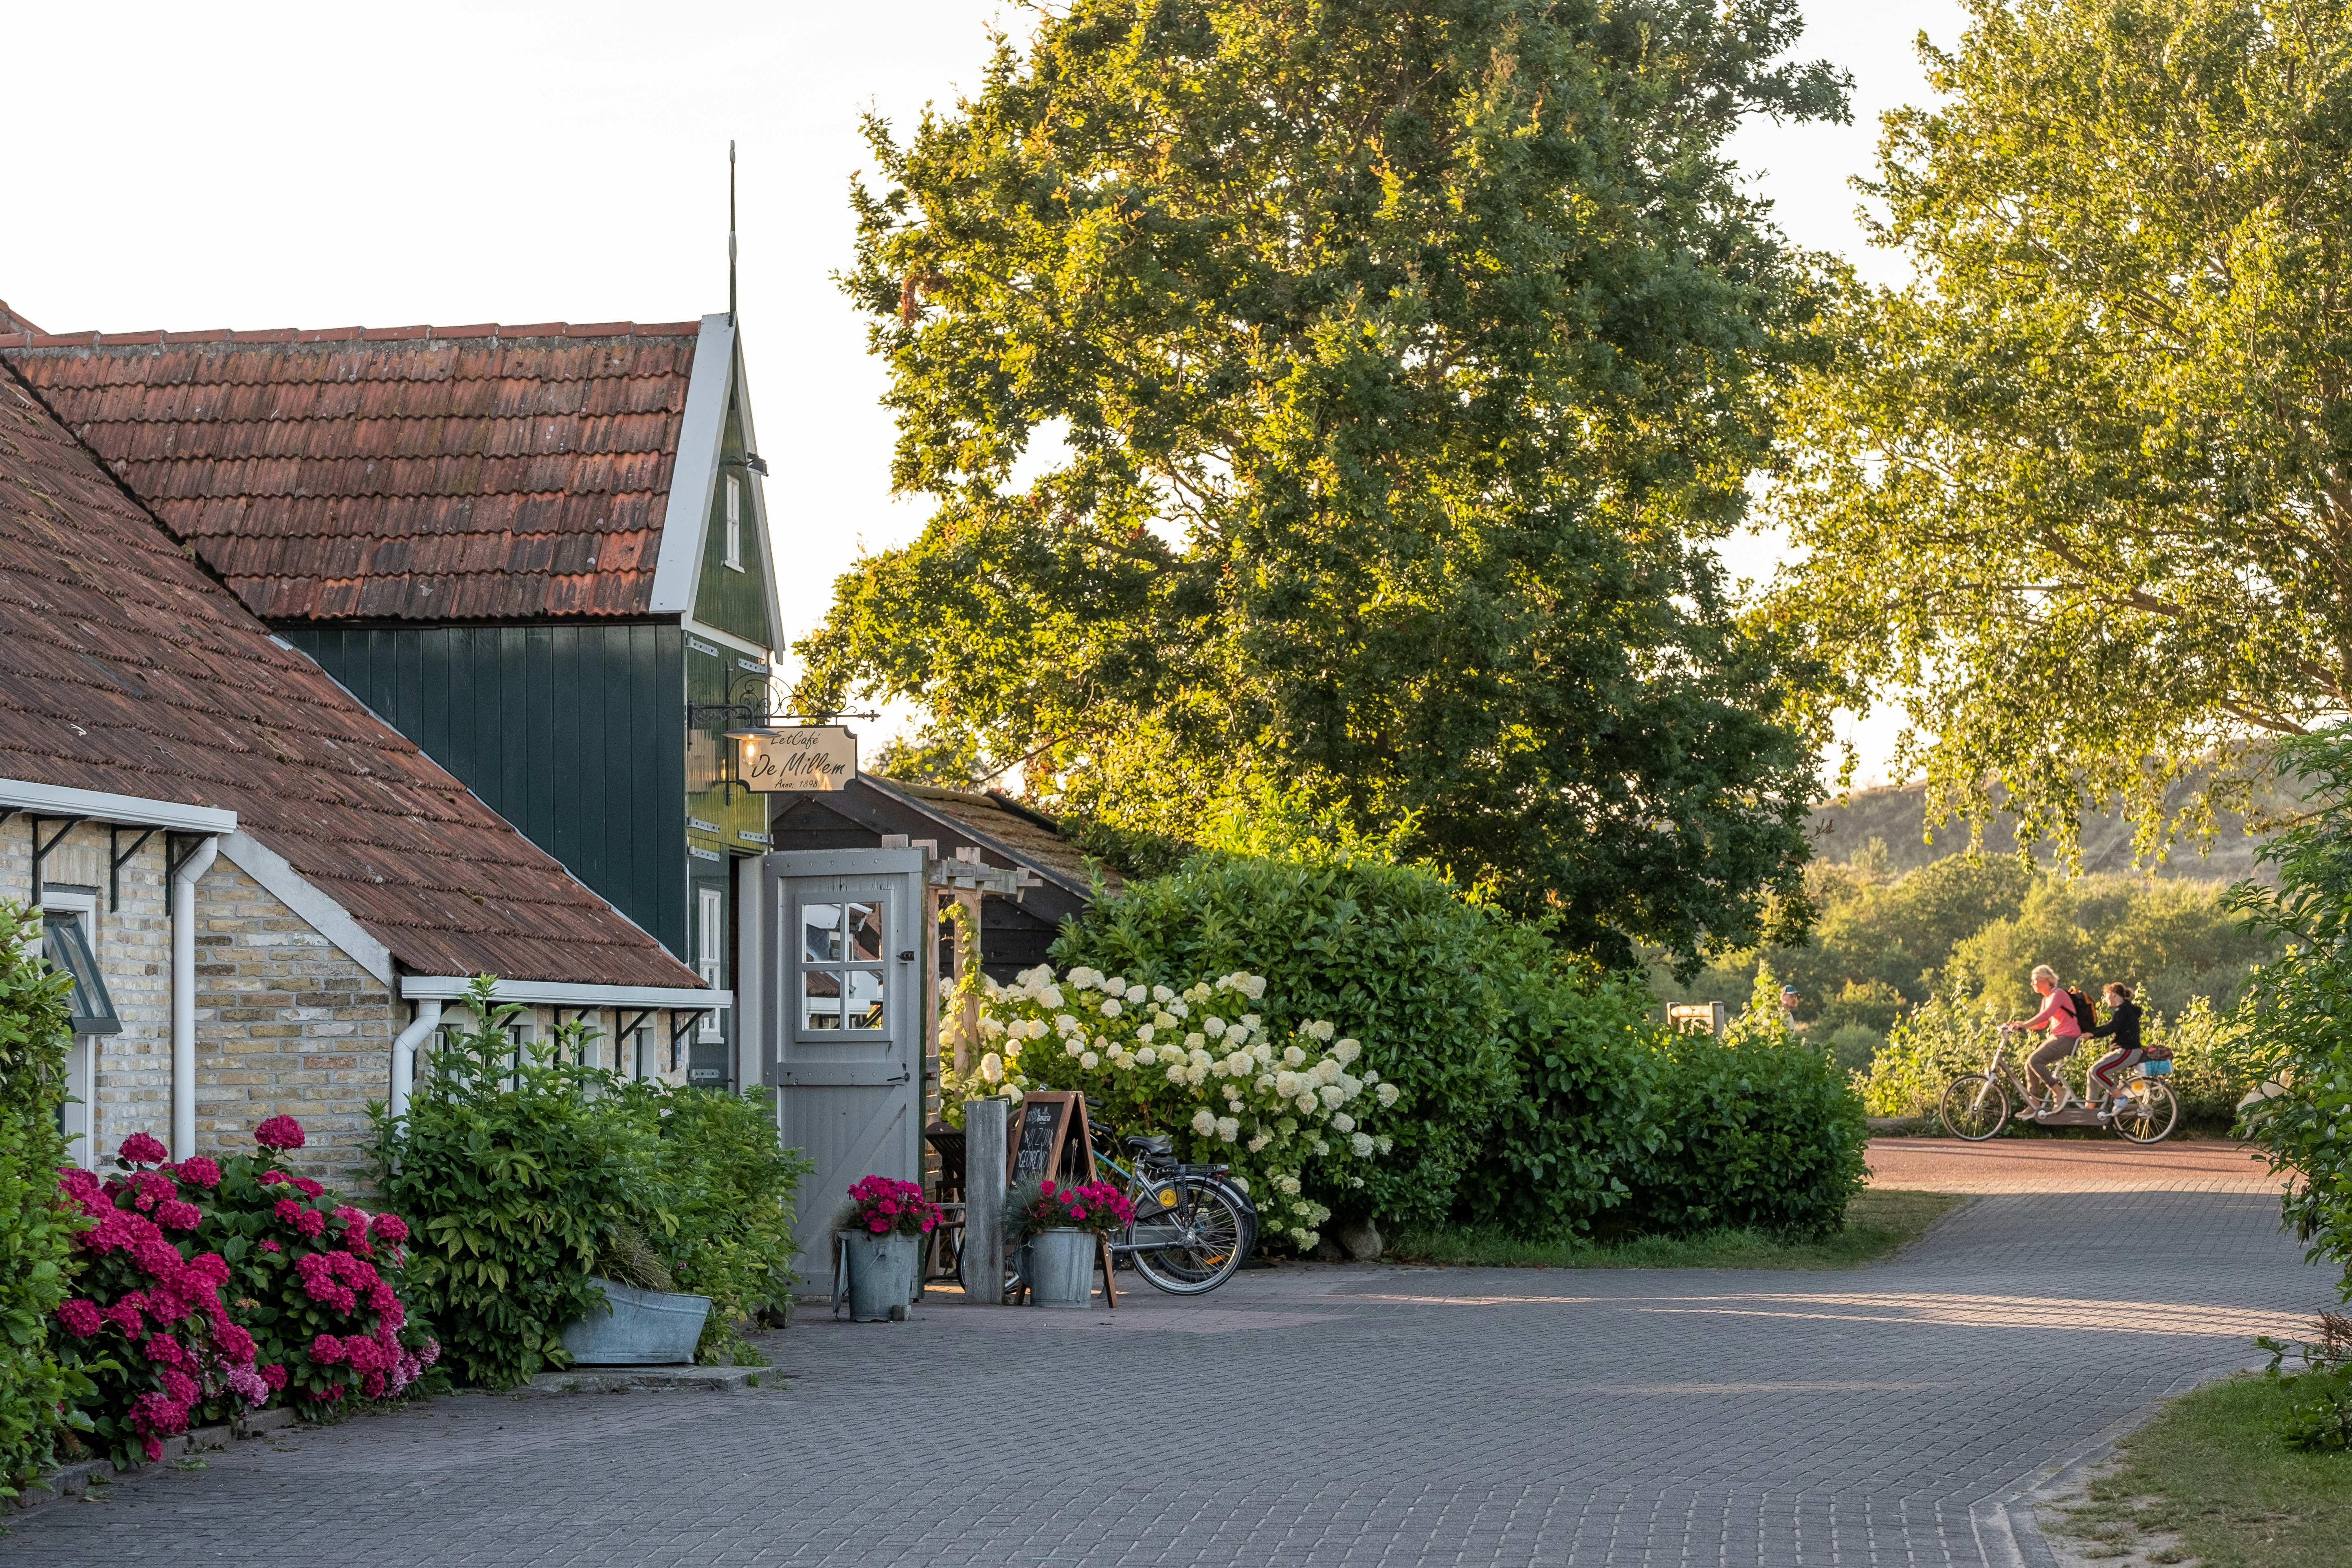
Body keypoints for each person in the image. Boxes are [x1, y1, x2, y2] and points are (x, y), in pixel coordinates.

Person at [2007, 964, 2087, 1113]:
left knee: (2035, 1061)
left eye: (2035, 980)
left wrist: (2023, 1025)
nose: (2032, 984)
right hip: (2057, 1037)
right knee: (2029, 1064)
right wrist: (2019, 1025)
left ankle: (2060, 1092)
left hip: (2068, 1039)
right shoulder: (2046, 999)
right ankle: (2035, 1103)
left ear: (2046, 980)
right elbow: (2042, 1024)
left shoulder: (2058, 994)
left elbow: (2044, 1016)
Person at [2082, 982, 2146, 1117]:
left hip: (2127, 1051)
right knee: (2091, 1072)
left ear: (2112, 994)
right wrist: (2092, 1032)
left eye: (2105, 996)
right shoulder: (2124, 1008)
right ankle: (2089, 1111)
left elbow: (2112, 1028)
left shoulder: (2123, 1009)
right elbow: (2111, 1025)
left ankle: (2120, 1097)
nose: (2105, 1000)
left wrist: (2093, 1035)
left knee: (2097, 1071)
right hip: (2124, 1051)